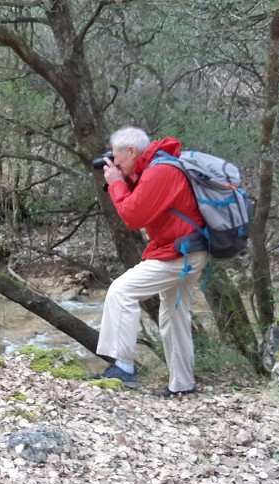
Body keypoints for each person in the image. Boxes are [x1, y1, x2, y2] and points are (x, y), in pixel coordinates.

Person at [94, 126, 208, 397]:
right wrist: (125, 178)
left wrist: (116, 183)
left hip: (179, 254)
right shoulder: (157, 168)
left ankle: (123, 366)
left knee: (121, 291)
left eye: (118, 158)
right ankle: (182, 385)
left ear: (132, 151)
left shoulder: (161, 171)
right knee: (173, 315)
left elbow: (133, 217)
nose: (115, 163)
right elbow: (145, 201)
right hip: (189, 251)